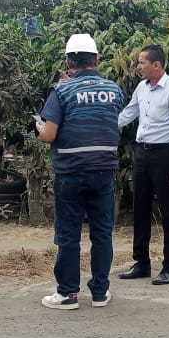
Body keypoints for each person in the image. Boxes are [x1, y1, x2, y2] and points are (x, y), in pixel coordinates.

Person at [36, 33, 124, 310]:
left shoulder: (61, 91)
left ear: (68, 62)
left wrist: (40, 128)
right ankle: (100, 292)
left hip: (70, 172)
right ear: (96, 59)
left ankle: (67, 294)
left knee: (69, 235)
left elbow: (50, 135)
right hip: (104, 171)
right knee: (102, 233)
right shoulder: (114, 89)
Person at [117, 44, 169, 285]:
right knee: (140, 207)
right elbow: (127, 114)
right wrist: (103, 126)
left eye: (142, 62)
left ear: (156, 65)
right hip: (143, 153)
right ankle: (142, 263)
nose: (138, 67)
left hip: (165, 155)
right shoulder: (142, 88)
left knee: (168, 211)